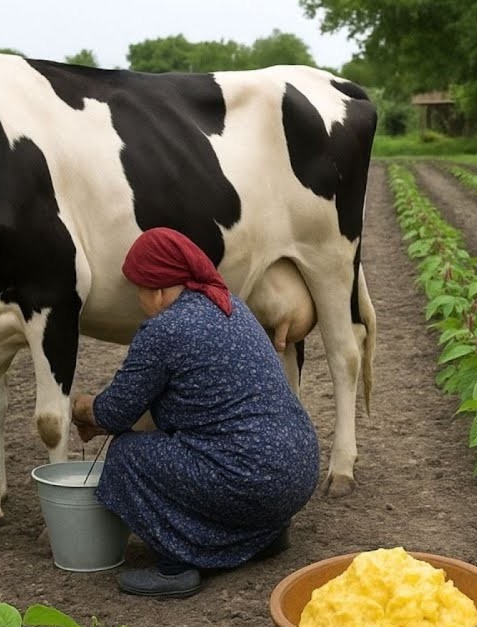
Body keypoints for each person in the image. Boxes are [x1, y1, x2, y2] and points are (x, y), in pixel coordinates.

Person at [71, 227, 320, 598]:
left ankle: (176, 565)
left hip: (252, 479)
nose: (138, 298)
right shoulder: (231, 306)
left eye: (139, 288)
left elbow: (115, 414)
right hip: (300, 468)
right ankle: (263, 537)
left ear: (157, 289)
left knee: (126, 456)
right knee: (210, 447)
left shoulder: (163, 330)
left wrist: (83, 408)